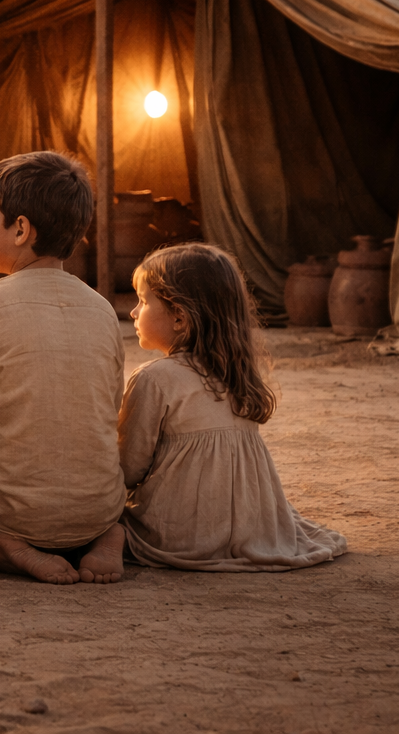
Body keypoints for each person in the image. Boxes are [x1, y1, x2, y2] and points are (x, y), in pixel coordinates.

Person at [0, 151, 127, 585]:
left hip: (2, 508)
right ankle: (108, 536)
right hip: (98, 506)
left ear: (20, 229)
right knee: (78, 501)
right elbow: (105, 411)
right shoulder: (104, 309)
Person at [119, 243, 347, 571]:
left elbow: (129, 468)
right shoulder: (236, 373)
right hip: (251, 526)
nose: (133, 313)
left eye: (142, 301)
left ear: (180, 316)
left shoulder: (155, 378)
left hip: (178, 534)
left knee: (94, 521)